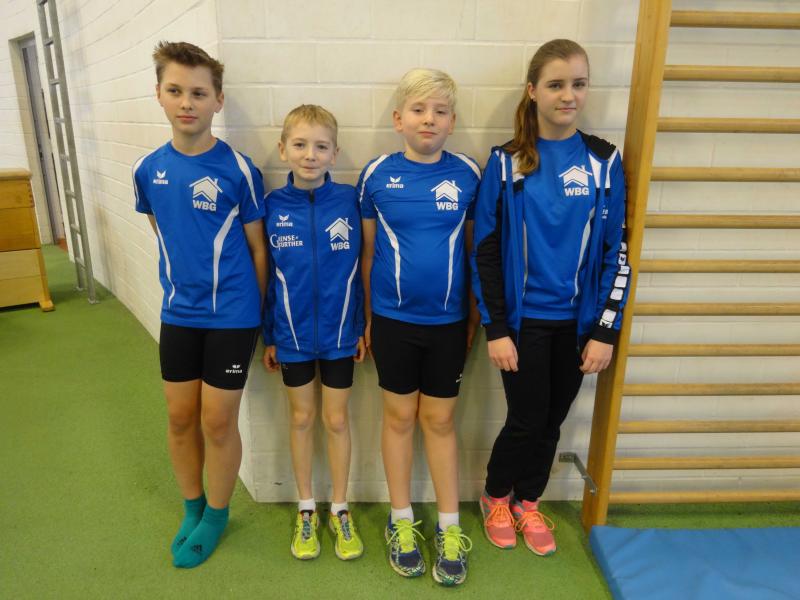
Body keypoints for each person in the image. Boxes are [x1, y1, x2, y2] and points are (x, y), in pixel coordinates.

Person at [472, 39, 630, 557]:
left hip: (577, 325)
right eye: (557, 84)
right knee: (525, 419)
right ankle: (496, 495)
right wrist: (496, 328)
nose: (569, 95)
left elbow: (616, 253)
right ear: (533, 91)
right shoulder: (505, 163)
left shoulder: (604, 161)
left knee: (552, 421)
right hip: (523, 324)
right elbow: (485, 251)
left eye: (578, 84)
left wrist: (605, 330)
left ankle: (529, 501)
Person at [132, 41, 267, 568]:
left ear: (218, 100)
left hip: (233, 315)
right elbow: (163, 231)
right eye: (175, 91)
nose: (186, 102)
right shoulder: (148, 169)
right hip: (178, 314)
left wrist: (258, 318)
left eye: (198, 93)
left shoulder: (238, 169)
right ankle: (192, 507)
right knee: (179, 416)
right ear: (159, 95)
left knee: (217, 422)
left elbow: (258, 250)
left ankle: (215, 515)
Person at [358, 68, 480, 586]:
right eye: (418, 109)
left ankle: (449, 526)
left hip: (449, 324)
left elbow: (476, 253)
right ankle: (401, 519)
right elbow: (367, 255)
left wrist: (473, 318)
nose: (429, 119)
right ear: (398, 119)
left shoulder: (469, 174)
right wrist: (367, 319)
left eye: (440, 111)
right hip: (392, 322)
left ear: (452, 122)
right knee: (399, 418)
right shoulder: (375, 175)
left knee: (440, 421)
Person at [261, 105, 366, 561]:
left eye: (321, 146)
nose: (310, 155)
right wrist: (270, 335)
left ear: (335, 153)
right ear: (283, 149)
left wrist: (361, 326)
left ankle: (340, 507)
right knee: (302, 418)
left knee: (336, 420)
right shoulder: (270, 206)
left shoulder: (350, 201)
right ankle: (306, 507)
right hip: (292, 336)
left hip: (342, 335)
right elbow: (267, 276)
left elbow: (364, 268)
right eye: (300, 145)